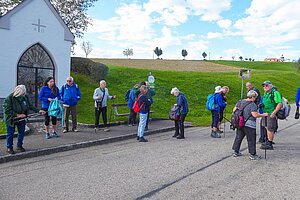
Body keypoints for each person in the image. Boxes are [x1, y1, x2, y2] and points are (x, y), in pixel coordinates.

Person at [3, 85, 45, 154]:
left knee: (21, 132)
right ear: (18, 93)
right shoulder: (9, 98)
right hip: (11, 119)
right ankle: (9, 147)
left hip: (22, 118)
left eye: (24, 93)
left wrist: (38, 110)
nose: (23, 95)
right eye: (22, 94)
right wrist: (18, 115)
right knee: (10, 133)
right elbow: (7, 111)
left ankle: (19, 145)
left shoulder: (25, 97)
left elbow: (30, 106)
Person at [231, 90, 268, 160]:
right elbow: (255, 115)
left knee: (239, 137)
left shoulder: (240, 101)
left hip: (240, 122)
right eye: (255, 97)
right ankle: (252, 154)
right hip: (249, 124)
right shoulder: (252, 104)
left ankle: (235, 151)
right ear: (253, 97)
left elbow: (234, 110)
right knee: (251, 139)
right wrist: (263, 114)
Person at [260, 80, 282, 150]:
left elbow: (279, 103)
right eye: (263, 86)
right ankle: (268, 140)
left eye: (266, 85)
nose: (265, 87)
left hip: (271, 113)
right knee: (266, 127)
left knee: (270, 128)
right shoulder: (266, 93)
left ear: (270, 86)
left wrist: (274, 112)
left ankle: (269, 143)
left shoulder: (275, 93)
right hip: (265, 113)